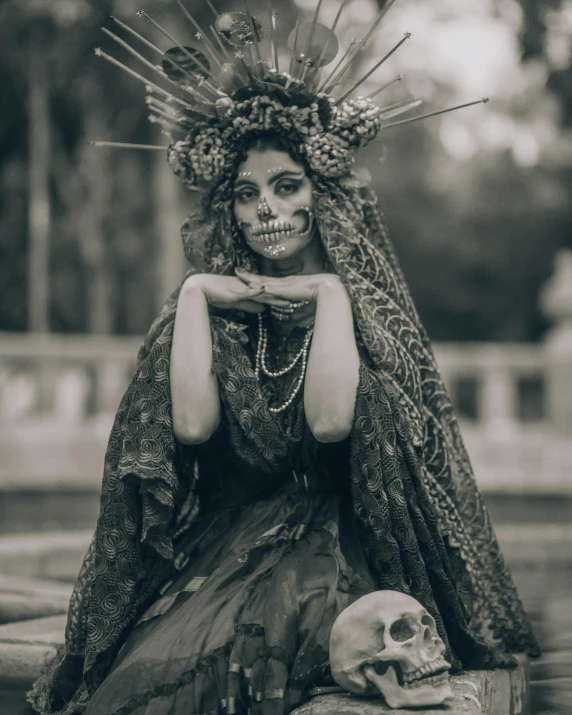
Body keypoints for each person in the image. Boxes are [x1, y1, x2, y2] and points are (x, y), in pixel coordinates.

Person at [28, 5, 540, 715]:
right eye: (245, 193)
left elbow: (330, 423)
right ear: (227, 210)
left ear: (321, 198)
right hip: (227, 545)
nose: (265, 209)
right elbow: (193, 425)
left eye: (285, 186)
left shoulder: (361, 310)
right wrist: (199, 294)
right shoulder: (211, 310)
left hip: (333, 551)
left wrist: (328, 291)